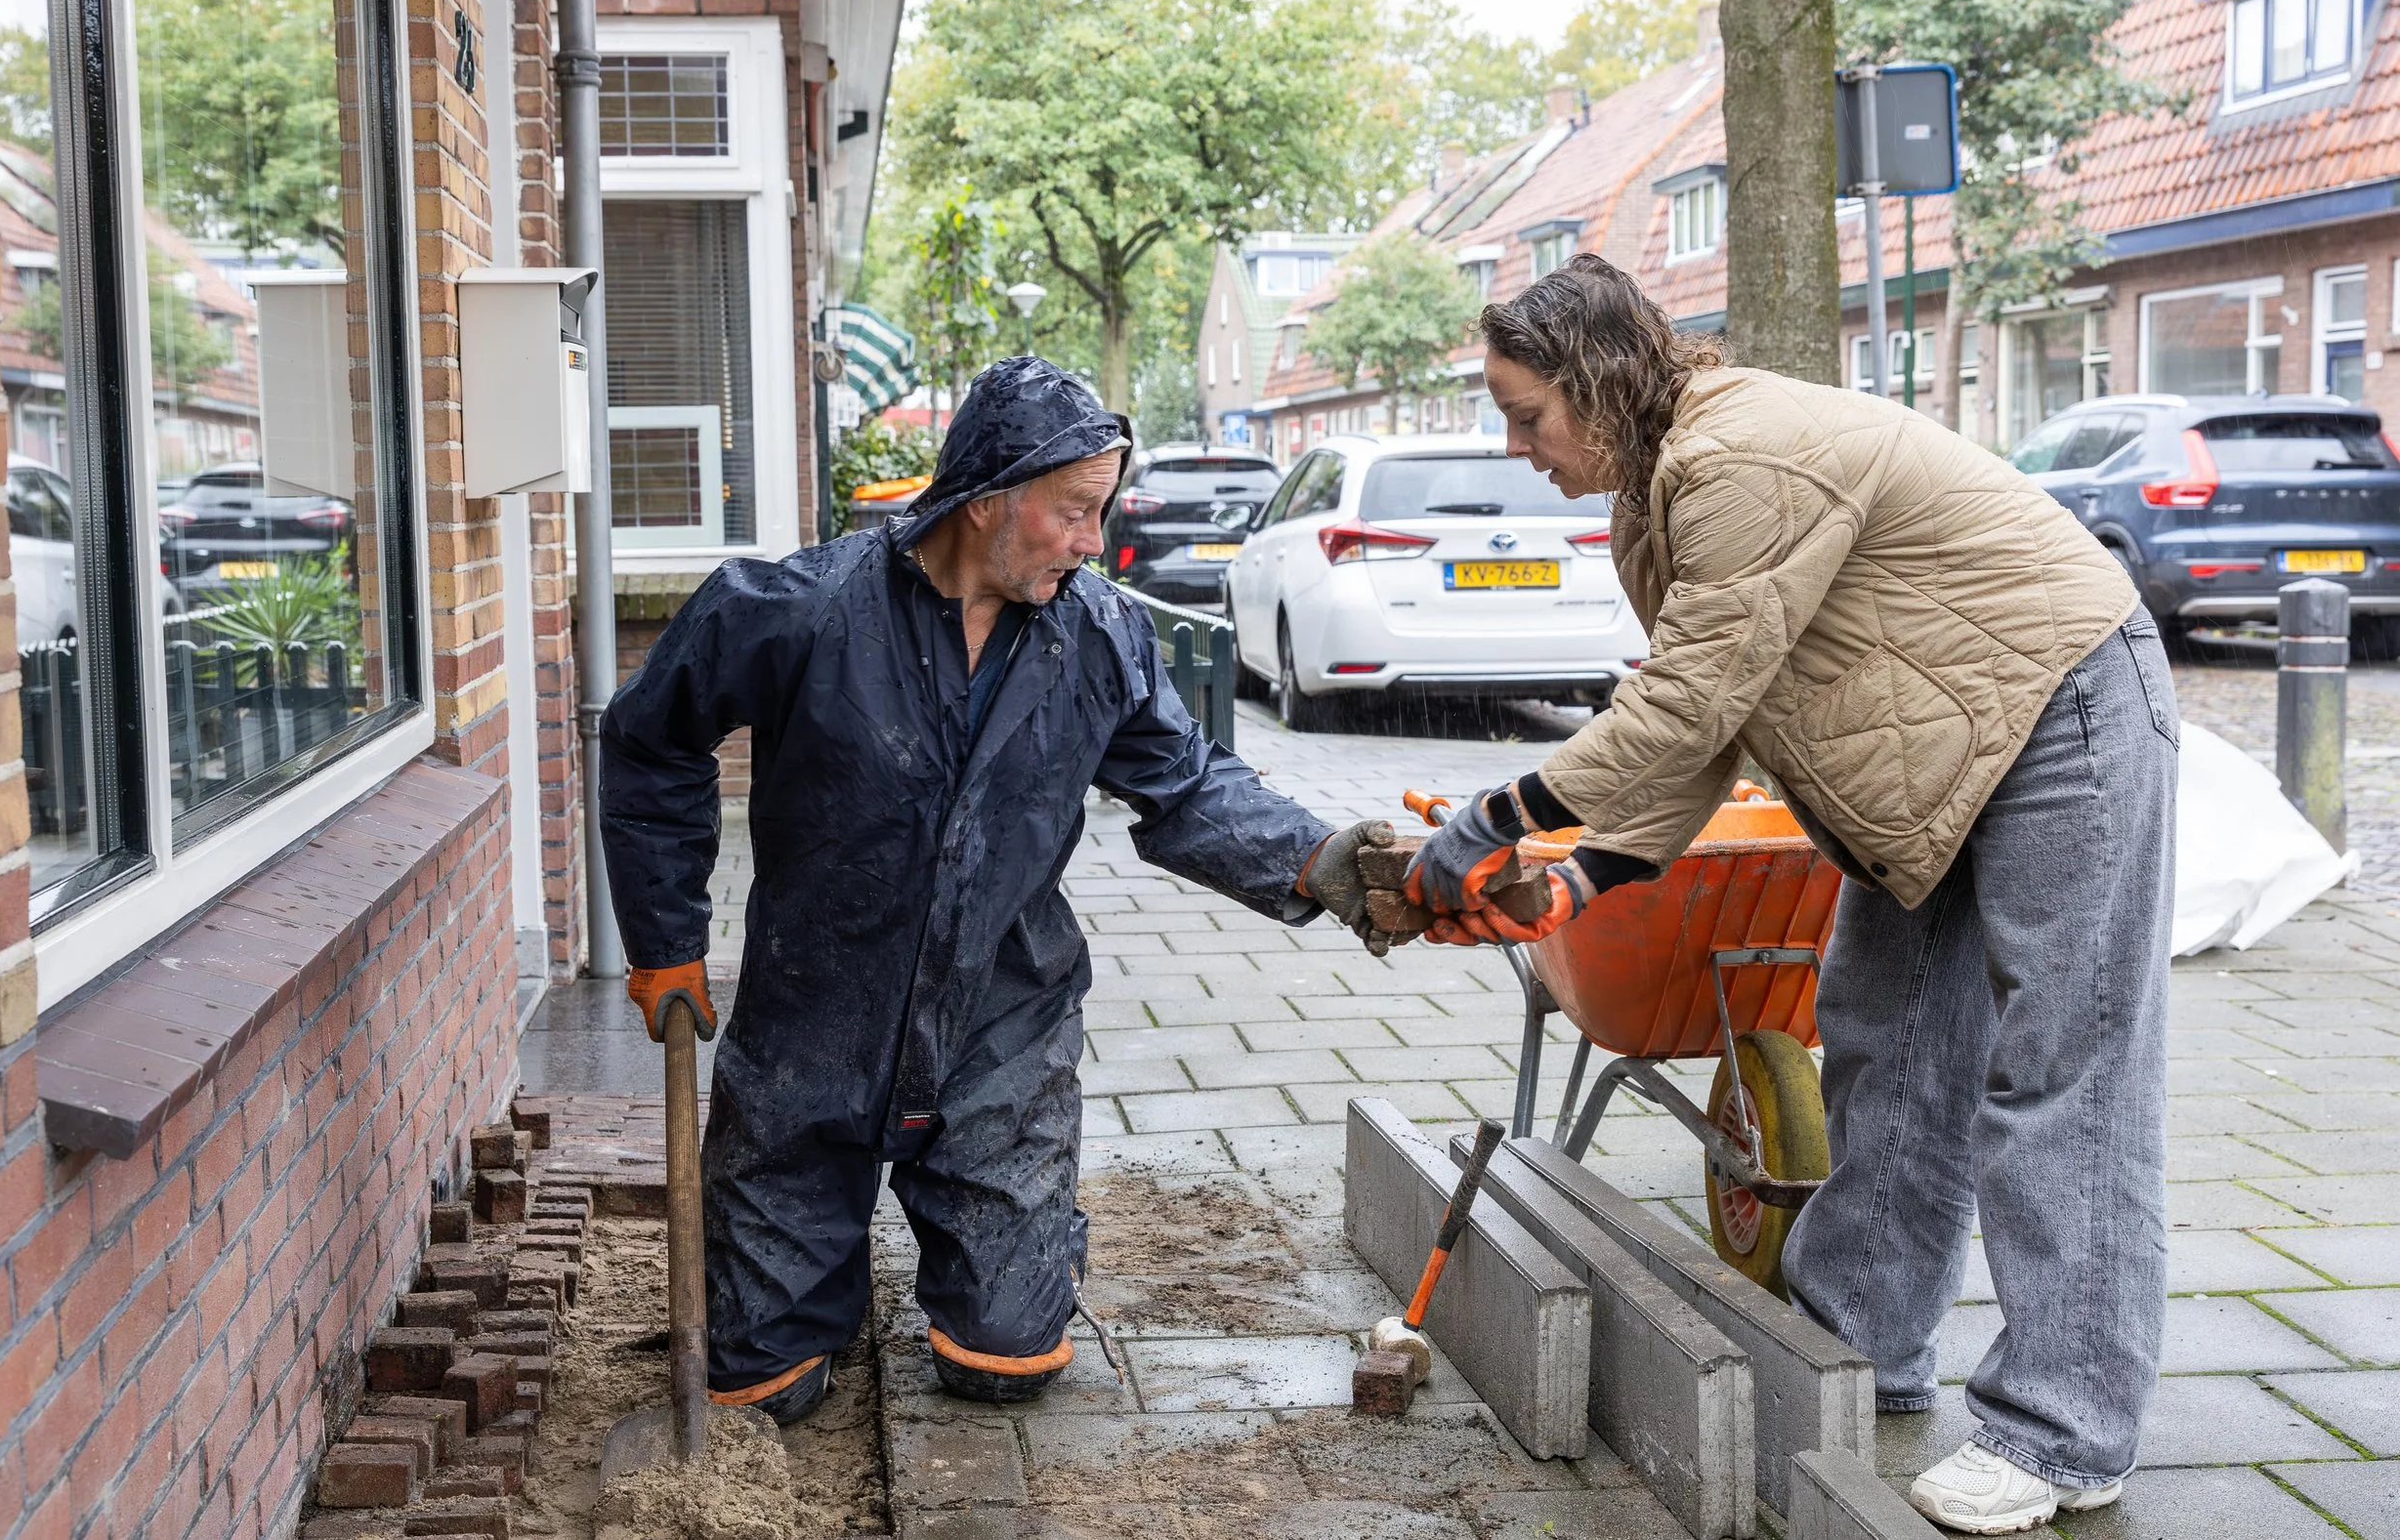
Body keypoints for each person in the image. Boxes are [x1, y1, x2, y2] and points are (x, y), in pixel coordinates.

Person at [1405, 256, 2173, 1535]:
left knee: (2063, 1065)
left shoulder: (1739, 454)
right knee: (1884, 1039)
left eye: (1525, 411)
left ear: (1595, 384)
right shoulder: (1655, 499)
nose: (1515, 442)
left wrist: (1504, 814)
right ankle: (1851, 1349)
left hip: (2061, 712)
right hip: (1929, 756)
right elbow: (1711, 722)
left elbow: (1687, 699)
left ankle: (2064, 1431)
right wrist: (1590, 871)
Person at [599, 356, 1399, 1424]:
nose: (1091, 540)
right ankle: (805, 1276)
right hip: (814, 1025)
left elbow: (1190, 786)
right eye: (1074, 511)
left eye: (1099, 512)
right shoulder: (800, 611)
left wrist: (1329, 862)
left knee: (1007, 1361)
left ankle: (1002, 1234)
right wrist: (666, 940)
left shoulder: (1100, 634)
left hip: (999, 1023)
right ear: (986, 498)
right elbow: (652, 739)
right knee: (760, 1383)